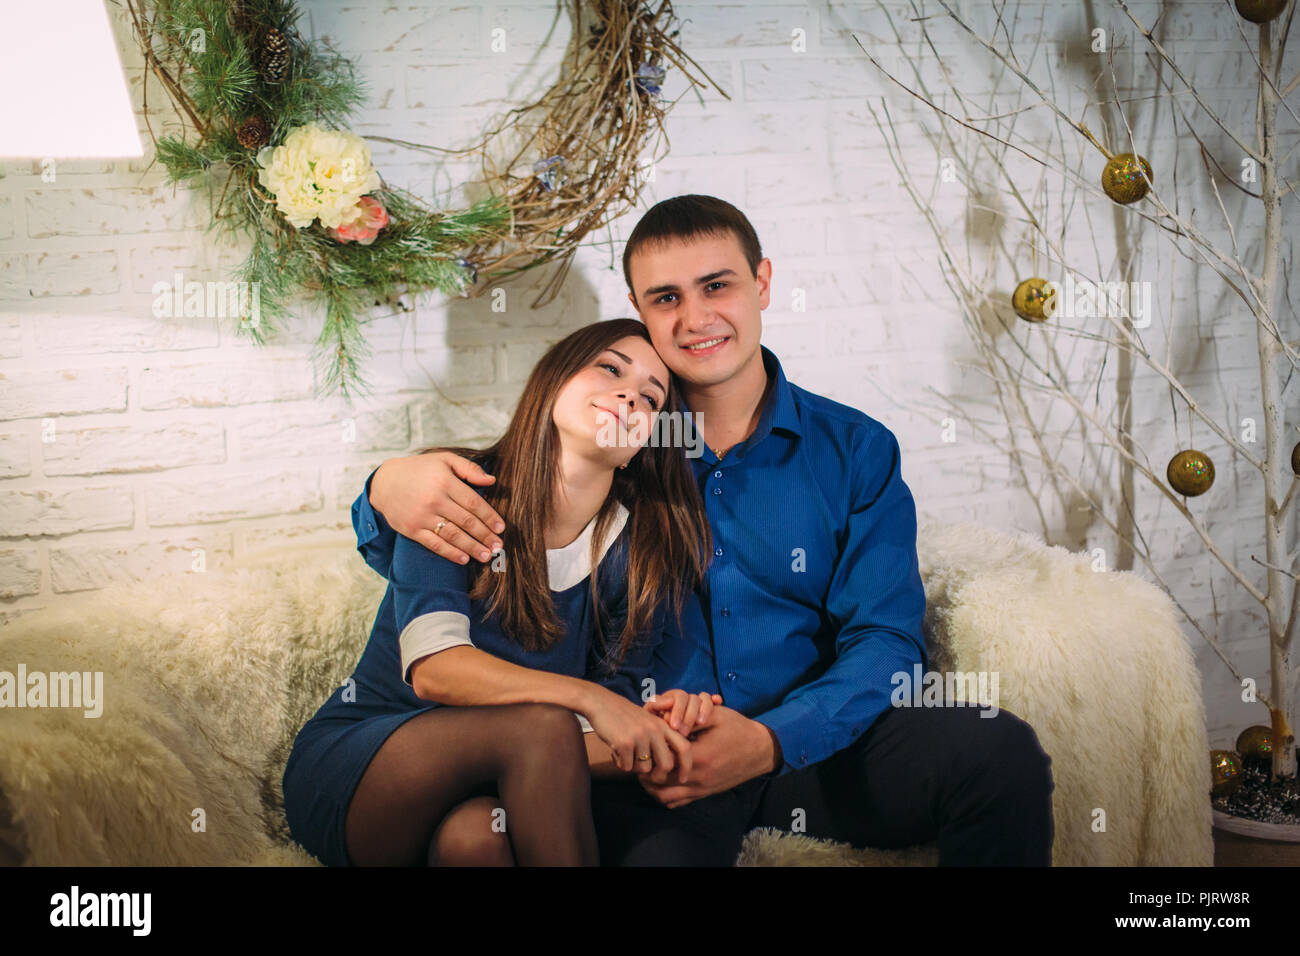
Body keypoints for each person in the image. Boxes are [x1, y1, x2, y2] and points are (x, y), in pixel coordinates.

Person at [356, 194, 1057, 866]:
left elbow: (887, 639)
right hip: (656, 766)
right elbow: (500, 510)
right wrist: (383, 490)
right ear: (640, 312)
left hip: (815, 749)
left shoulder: (854, 448)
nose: (695, 318)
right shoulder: (615, 443)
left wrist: (770, 739)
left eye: (716, 286)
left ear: (762, 284)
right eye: (666, 299)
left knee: (998, 751)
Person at [282, 318, 723, 867]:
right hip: (374, 768)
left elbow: (597, 733)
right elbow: (436, 670)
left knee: (476, 841)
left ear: (639, 447)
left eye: (650, 399)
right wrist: (591, 700)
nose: (629, 394)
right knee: (543, 726)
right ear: (553, 382)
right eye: (609, 368)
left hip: (493, 793)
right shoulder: (455, 491)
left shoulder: (641, 551)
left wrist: (658, 735)